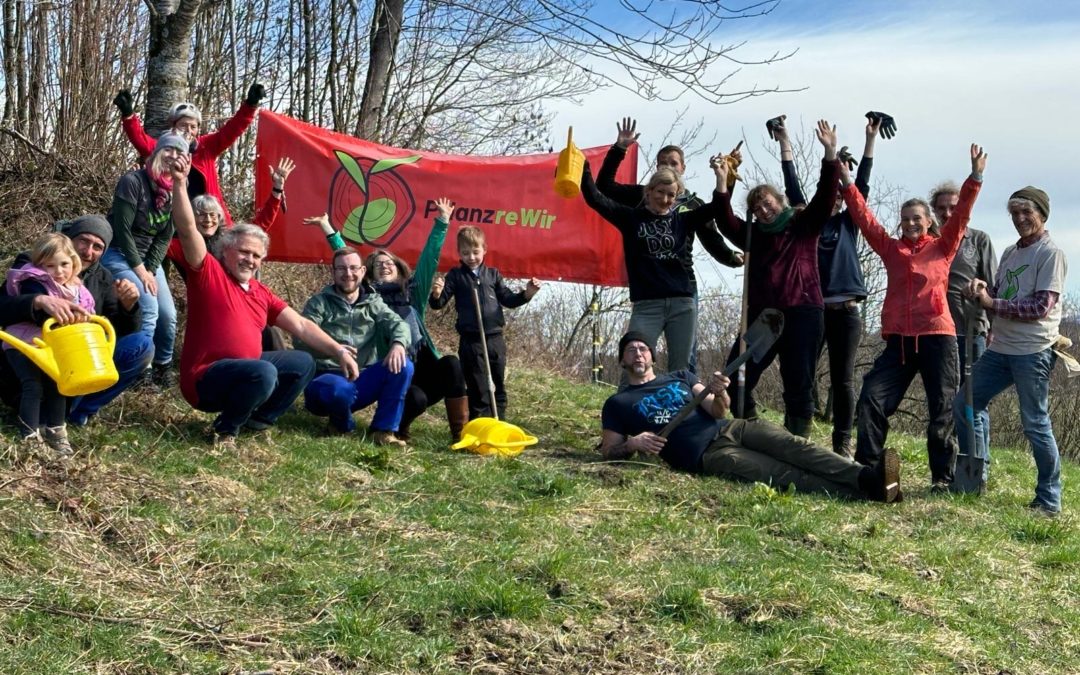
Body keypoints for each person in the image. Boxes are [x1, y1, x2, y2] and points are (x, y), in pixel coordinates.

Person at [168, 154, 359, 448]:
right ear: (226, 250)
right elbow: (187, 229)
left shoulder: (260, 291)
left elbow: (302, 326)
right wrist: (180, 184)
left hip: (248, 371)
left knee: (302, 362)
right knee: (264, 370)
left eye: (256, 256)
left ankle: (259, 421)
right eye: (244, 252)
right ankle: (225, 429)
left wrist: (338, 351)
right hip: (205, 379)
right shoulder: (207, 272)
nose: (250, 260)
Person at [599, 332, 901, 502]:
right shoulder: (618, 403)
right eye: (630, 350)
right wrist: (634, 444)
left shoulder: (680, 376)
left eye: (643, 348)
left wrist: (718, 392)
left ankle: (866, 477)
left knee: (799, 448)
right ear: (622, 360)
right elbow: (608, 451)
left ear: (652, 356)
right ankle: (865, 494)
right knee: (781, 473)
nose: (638, 353)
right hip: (707, 454)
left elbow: (719, 410)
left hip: (733, 428)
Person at [842, 144, 987, 489]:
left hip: (938, 338)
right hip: (900, 342)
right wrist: (844, 176)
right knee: (872, 397)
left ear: (928, 222)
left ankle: (942, 476)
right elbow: (864, 218)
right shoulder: (890, 248)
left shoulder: (942, 246)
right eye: (905, 219)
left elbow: (962, 214)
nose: (910, 224)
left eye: (916, 219)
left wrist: (975, 177)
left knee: (941, 409)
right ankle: (869, 469)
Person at [714, 119, 841, 438]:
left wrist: (830, 154)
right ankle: (754, 432)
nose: (762, 209)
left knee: (798, 381)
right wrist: (722, 182)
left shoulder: (802, 224)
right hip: (764, 317)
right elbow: (725, 221)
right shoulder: (753, 234)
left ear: (779, 202)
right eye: (756, 207)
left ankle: (797, 443)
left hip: (803, 312)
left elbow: (826, 196)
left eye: (766, 202)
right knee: (738, 375)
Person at [304, 198, 469, 441]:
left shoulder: (414, 291)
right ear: (367, 272)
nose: (383, 266)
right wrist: (328, 229)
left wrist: (442, 222)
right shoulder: (370, 296)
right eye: (377, 264)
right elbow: (347, 262)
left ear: (400, 267)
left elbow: (429, 258)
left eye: (388, 262)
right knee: (414, 397)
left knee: (451, 365)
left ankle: (460, 435)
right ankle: (388, 428)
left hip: (414, 362)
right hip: (381, 366)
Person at [595, 118, 744, 374]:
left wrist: (732, 257)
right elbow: (604, 187)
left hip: (683, 287)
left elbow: (713, 234)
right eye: (663, 163)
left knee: (685, 359)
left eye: (673, 163)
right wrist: (620, 148)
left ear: (683, 167)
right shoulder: (643, 196)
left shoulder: (692, 205)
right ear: (656, 168)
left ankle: (683, 407)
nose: (668, 167)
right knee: (639, 353)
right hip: (649, 288)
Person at [954, 186, 1066, 515]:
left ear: (1042, 215)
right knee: (965, 404)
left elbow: (1040, 306)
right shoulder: (1010, 253)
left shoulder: (1050, 253)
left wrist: (991, 302)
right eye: (1014, 213)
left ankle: (1049, 499)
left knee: (1034, 422)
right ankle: (976, 476)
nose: (1019, 219)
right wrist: (979, 290)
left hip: (1034, 350)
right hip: (1001, 347)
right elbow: (1001, 293)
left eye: (1026, 212)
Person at [772, 115, 880, 456]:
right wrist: (784, 139)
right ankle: (797, 431)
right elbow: (792, 185)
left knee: (843, 380)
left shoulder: (850, 221)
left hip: (846, 311)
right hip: (813, 310)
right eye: (829, 194)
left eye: (839, 195)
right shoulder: (808, 222)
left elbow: (860, 184)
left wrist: (869, 140)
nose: (834, 199)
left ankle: (842, 442)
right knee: (800, 373)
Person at [0, 216, 153, 425]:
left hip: (78, 359)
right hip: (35, 355)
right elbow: (3, 307)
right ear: (69, 239)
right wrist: (37, 300)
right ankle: (36, 409)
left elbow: (121, 332)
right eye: (83, 241)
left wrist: (129, 306)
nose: (88, 252)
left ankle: (77, 411)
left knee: (142, 345)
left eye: (97, 247)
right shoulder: (34, 262)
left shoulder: (103, 278)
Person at [297, 245, 415, 447]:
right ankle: (342, 425)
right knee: (338, 389)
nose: (348, 274)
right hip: (324, 379)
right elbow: (301, 338)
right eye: (341, 269)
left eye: (353, 268)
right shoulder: (319, 303)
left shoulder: (373, 303)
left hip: (361, 379)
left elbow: (398, 324)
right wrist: (335, 349)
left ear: (362, 272)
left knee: (404, 365)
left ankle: (383, 430)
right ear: (333, 272)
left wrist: (398, 344)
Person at [429, 226, 541, 420]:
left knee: (497, 382)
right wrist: (437, 294)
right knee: (478, 385)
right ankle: (481, 425)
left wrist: (527, 293)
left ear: (484, 250)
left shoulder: (493, 275)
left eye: (475, 252)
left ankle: (500, 423)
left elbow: (508, 299)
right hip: (471, 341)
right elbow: (438, 304)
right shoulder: (455, 276)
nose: (471, 257)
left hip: (494, 338)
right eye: (465, 253)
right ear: (459, 253)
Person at [103, 132, 188, 388]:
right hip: (118, 253)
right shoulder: (133, 181)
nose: (172, 156)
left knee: (168, 313)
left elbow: (164, 238)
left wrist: (150, 269)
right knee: (148, 307)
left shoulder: (175, 191)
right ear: (156, 152)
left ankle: (163, 368)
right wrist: (140, 271)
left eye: (179, 152)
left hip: (147, 260)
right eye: (168, 150)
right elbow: (122, 230)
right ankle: (141, 371)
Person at [113, 84, 264, 226]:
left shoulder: (206, 147)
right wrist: (128, 114)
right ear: (173, 126)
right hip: (175, 219)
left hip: (210, 218)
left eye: (193, 127)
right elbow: (140, 139)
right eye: (183, 125)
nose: (188, 130)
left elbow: (232, 130)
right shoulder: (164, 149)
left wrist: (250, 105)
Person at [2, 233, 94, 456]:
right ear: (39, 265)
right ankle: (29, 434)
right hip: (25, 343)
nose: (59, 271)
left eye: (64, 264)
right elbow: (42, 317)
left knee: (58, 385)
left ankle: (56, 430)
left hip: (56, 345)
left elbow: (89, 312)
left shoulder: (79, 289)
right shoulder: (34, 281)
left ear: (74, 262)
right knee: (32, 385)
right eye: (50, 266)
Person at [931, 180, 997, 457]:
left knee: (973, 399)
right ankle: (955, 459)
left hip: (971, 330)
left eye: (953, 207)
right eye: (941, 208)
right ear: (934, 210)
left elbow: (994, 285)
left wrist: (994, 327)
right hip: (938, 333)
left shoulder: (979, 239)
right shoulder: (930, 242)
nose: (947, 213)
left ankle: (979, 463)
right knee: (946, 401)